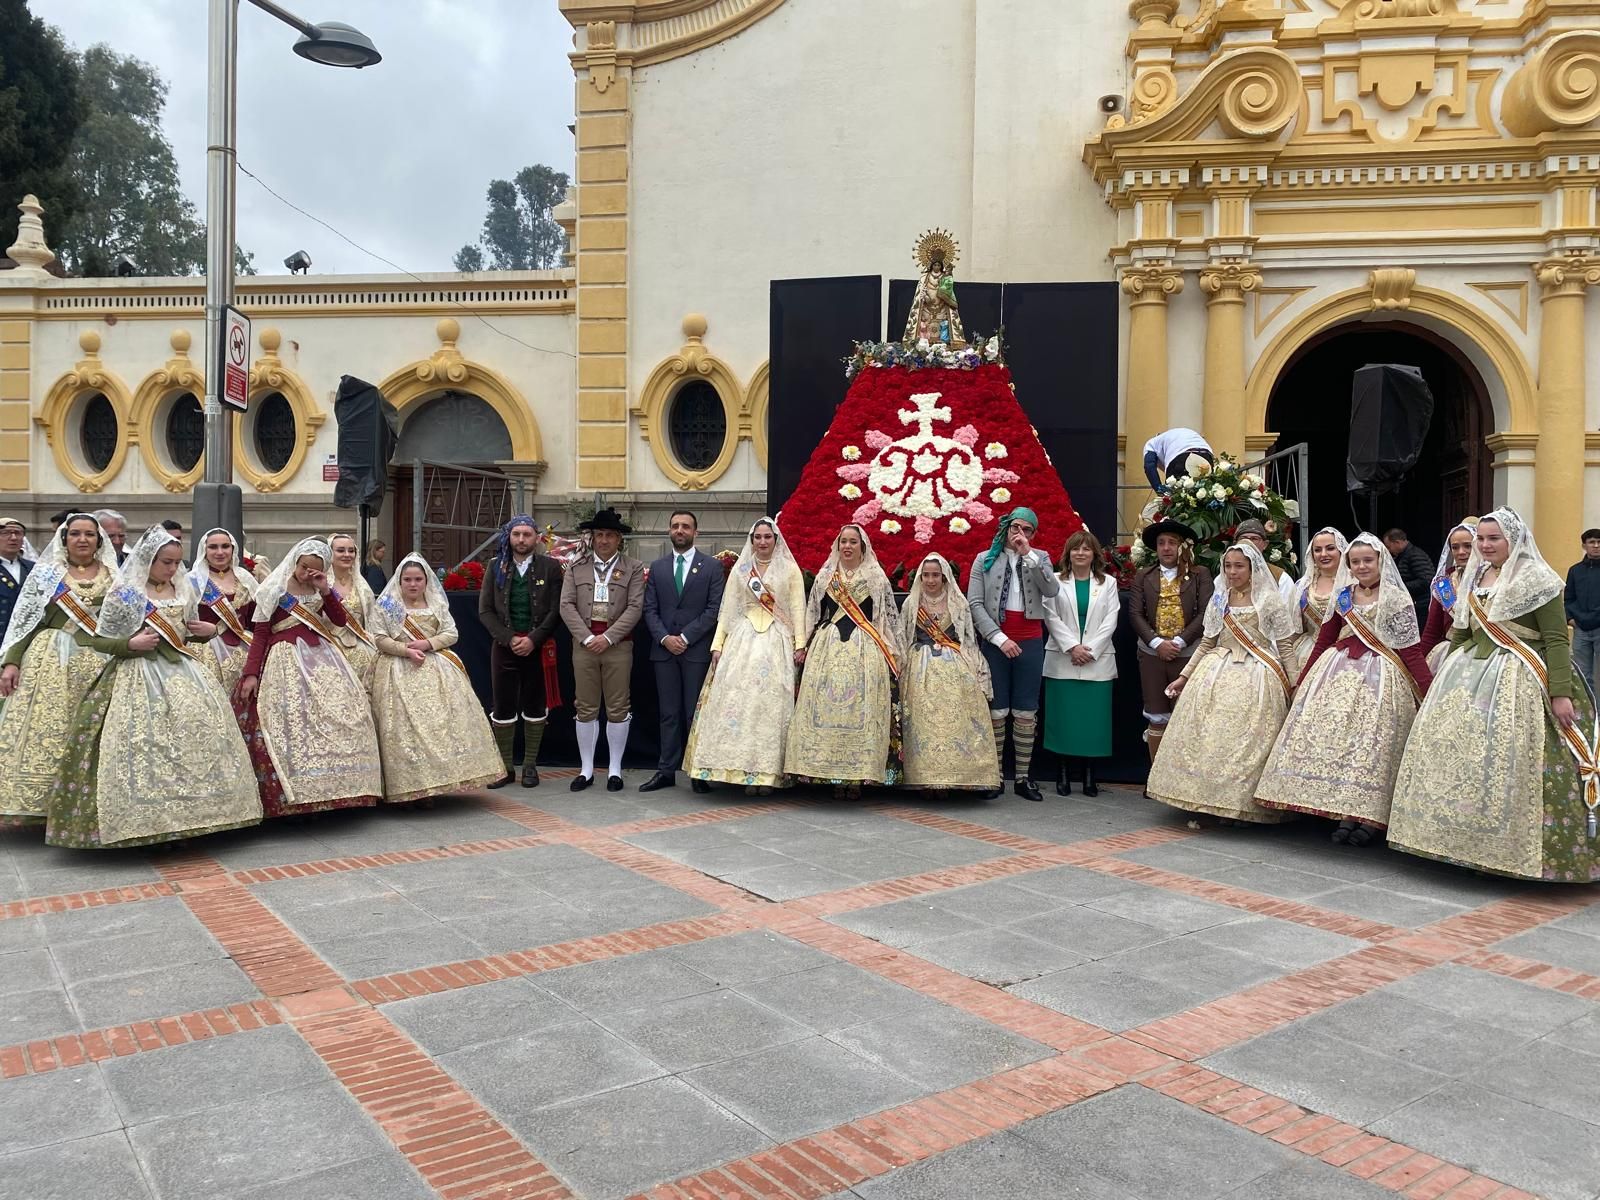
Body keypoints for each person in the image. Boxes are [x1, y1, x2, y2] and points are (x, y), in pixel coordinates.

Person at [1390, 508, 1600, 882]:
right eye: (1480, 540)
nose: (1485, 546)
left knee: (1510, 756)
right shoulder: (1476, 574)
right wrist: (1444, 673)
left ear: (1513, 540)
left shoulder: (1540, 579)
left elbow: (1554, 639)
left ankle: (1512, 849)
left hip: (1522, 675)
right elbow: (1463, 631)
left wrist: (1561, 693)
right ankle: (1458, 842)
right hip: (1468, 674)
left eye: (1493, 539)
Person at [47, 527, 261, 848]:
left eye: (176, 563)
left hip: (185, 673)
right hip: (137, 674)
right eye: (166, 562)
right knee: (145, 744)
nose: (173, 569)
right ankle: (147, 823)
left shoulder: (183, 589)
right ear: (148, 559)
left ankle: (197, 818)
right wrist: (129, 642)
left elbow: (186, 631)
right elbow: (101, 639)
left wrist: (206, 632)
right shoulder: (126, 592)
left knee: (197, 740)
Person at [1257, 534, 1432, 844]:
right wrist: (1303, 678)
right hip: (1336, 671)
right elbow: (1324, 639)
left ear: (1381, 561)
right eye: (1355, 561)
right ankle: (1342, 812)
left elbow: (1411, 650)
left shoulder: (1396, 597)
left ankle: (1370, 819)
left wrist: (1429, 690)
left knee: (1373, 747)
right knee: (1340, 744)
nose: (1362, 566)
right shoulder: (1343, 596)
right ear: (1348, 565)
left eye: (1368, 560)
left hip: (1381, 678)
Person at [1147, 541, 1300, 825]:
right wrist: (1184, 677)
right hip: (1215, 671)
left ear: (1253, 568)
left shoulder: (1269, 599)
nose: (1232, 572)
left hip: (1258, 674)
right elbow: (1206, 643)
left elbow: (1287, 647)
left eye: (1239, 566)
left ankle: (1241, 805)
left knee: (1246, 742)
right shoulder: (1220, 599)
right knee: (1208, 737)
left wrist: (1295, 685)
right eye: (1228, 566)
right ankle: (1206, 799)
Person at [234, 538, 383, 815]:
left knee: (341, 713)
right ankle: (297, 796)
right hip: (285, 658)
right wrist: (251, 673)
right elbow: (261, 634)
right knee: (292, 720)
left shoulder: (320, 588)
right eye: (304, 568)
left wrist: (326, 590)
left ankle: (340, 791)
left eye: (315, 570)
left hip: (324, 656)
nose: (307, 574)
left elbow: (339, 621)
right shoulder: (274, 589)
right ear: (295, 562)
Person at [0, 515, 120, 828]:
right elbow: (26, 621)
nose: (83, 539)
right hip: (52, 657)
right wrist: (11, 661)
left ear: (99, 540)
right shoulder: (47, 573)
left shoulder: (114, 574)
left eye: (90, 535)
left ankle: (91, 798)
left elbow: (123, 618)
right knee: (51, 726)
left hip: (102, 658)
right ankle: (44, 802)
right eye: (76, 534)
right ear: (64, 538)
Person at [684, 518, 806, 794]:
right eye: (758, 537)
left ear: (776, 540)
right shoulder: (742, 571)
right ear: (752, 541)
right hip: (743, 640)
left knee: (771, 706)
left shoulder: (789, 569)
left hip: (777, 640)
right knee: (738, 703)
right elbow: (728, 609)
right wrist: (717, 644)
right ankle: (740, 770)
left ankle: (767, 773)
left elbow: (798, 607)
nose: (762, 542)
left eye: (767, 537)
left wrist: (800, 643)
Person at [371, 553, 503, 803]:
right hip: (397, 671)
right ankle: (407, 789)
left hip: (436, 668)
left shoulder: (437, 604)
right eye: (407, 579)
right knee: (404, 730)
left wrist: (428, 643)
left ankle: (434, 784)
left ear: (425, 581)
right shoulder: (387, 606)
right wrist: (405, 650)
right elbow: (378, 638)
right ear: (399, 582)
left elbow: (451, 633)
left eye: (418, 579)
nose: (412, 584)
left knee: (437, 728)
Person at [787, 524, 901, 797]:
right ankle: (831, 775)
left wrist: (892, 653)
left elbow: (886, 619)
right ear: (837, 546)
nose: (847, 546)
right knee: (826, 709)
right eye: (843, 542)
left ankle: (858, 776)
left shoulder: (876, 578)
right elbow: (812, 613)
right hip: (828, 647)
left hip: (866, 648)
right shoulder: (826, 576)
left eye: (853, 542)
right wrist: (802, 646)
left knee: (863, 710)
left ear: (863, 546)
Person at [966, 507, 1058, 801]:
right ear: (1005, 528)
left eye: (1026, 530)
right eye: (1015, 528)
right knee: (996, 710)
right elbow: (975, 603)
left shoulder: (1039, 558)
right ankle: (994, 776)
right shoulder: (985, 559)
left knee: (1025, 709)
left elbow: (1051, 589)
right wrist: (998, 637)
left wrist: (1028, 554)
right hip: (996, 641)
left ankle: (1022, 777)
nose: (1020, 534)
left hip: (1030, 640)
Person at [559, 507, 645, 792]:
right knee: (585, 706)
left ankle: (614, 769)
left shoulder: (632, 567)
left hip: (618, 645)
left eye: (609, 535)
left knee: (618, 706)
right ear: (592, 537)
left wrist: (607, 638)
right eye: (599, 535)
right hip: (584, 645)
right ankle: (586, 769)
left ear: (619, 538)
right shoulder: (576, 567)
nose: (604, 540)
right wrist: (586, 637)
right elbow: (566, 605)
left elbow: (635, 607)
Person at [898, 553, 999, 793]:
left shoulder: (958, 602)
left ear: (945, 577)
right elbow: (902, 638)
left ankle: (954, 777)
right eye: (926, 575)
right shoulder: (911, 604)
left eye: (936, 575)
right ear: (920, 578)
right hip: (919, 665)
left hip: (954, 664)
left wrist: (976, 669)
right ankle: (923, 778)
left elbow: (967, 640)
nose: (931, 580)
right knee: (921, 719)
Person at [641, 509, 725, 794]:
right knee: (668, 714)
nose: (680, 530)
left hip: (695, 651)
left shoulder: (712, 567)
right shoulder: (658, 567)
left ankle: (697, 772)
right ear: (669, 531)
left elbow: (714, 610)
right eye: (675, 526)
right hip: (664, 651)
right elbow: (649, 609)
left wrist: (686, 637)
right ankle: (666, 771)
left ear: (695, 533)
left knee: (694, 713)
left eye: (686, 526)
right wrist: (665, 638)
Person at [478, 514, 563, 788]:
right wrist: (509, 637)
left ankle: (529, 765)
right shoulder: (495, 566)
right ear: (509, 537)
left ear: (537, 538)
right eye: (517, 534)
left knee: (535, 705)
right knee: (502, 706)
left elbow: (555, 609)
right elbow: (485, 610)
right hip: (505, 647)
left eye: (527, 534)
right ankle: (505, 767)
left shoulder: (551, 567)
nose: (521, 539)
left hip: (537, 647)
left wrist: (534, 639)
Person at [1129, 519, 1214, 769]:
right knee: (1156, 713)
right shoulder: (1144, 576)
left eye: (1172, 543)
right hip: (1152, 654)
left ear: (1182, 546)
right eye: (1161, 543)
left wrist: (1178, 641)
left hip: (1187, 653)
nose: (1166, 548)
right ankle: (1157, 775)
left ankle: (1183, 776)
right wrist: (1157, 643)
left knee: (1186, 713)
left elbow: (1205, 611)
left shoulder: (1200, 574)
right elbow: (1135, 614)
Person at [1042, 528, 1119, 796]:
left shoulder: (1108, 583)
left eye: (1086, 548)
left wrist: (1090, 650)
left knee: (1093, 724)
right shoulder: (1054, 581)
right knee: (1063, 721)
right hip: (1063, 661)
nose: (1081, 553)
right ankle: (1062, 774)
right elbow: (1050, 616)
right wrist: (1073, 647)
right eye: (1076, 548)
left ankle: (1089, 777)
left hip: (1097, 663)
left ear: (1094, 553)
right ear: (1068, 553)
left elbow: (1111, 619)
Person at [187, 527, 257, 695]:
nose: (220, 552)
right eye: (213, 547)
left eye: (225, 546)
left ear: (233, 548)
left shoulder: (246, 579)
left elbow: (256, 621)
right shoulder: (192, 581)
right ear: (204, 549)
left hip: (243, 653)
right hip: (204, 654)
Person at [1285, 527, 1348, 677]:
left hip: (1345, 654)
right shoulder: (1302, 587)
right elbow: (1293, 631)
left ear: (1341, 550)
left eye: (1330, 548)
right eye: (1318, 550)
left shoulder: (1355, 583)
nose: (1323, 554)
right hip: (1308, 653)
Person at [1419, 519, 1478, 672]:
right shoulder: (1445, 583)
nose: (1461, 552)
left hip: (1484, 653)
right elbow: (1432, 630)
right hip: (1450, 650)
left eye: (1467, 546)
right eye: (1455, 547)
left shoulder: (1492, 579)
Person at [1565, 527, 1600, 698]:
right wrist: (1570, 619)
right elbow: (1568, 598)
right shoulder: (1575, 570)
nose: (1596, 546)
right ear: (1584, 546)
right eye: (1592, 542)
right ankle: (1590, 716)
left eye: (1599, 542)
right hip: (1581, 630)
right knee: (1581, 674)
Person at [1234, 519, 1297, 604]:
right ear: (1235, 543)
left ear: (1265, 544)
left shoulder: (1281, 578)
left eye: (1254, 538)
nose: (1248, 543)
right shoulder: (1225, 577)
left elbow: (1288, 613)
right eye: (1243, 538)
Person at [1383, 527, 1435, 624]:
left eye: (1389, 546)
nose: (1388, 550)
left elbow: (1426, 580)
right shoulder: (1403, 556)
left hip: (1421, 604)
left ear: (1397, 542)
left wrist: (1399, 587)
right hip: (1413, 602)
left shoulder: (1415, 555)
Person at [1142, 427, 1215, 492]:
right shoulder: (1174, 435)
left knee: (1177, 498)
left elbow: (1149, 465)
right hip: (1206, 455)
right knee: (1205, 493)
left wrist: (1158, 488)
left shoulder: (1152, 443)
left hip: (1181, 457)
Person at [0, 517, 35, 634]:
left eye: (18, 533)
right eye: (6, 533)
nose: (13, 538)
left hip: (26, 637)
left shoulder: (33, 568)